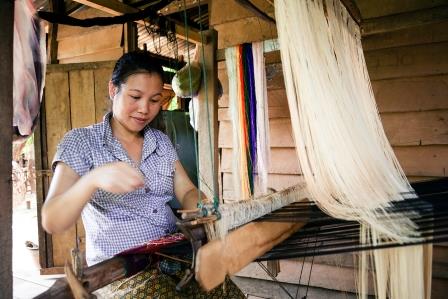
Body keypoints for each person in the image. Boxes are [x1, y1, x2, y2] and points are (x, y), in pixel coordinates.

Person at [41, 51, 245, 298]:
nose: (144, 109)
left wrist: (202, 207)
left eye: (155, 100)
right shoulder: (82, 142)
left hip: (174, 256)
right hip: (120, 271)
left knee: (227, 293)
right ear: (113, 90)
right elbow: (51, 220)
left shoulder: (160, 142)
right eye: (135, 96)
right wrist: (93, 179)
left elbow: (187, 190)